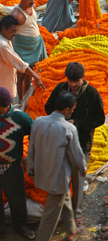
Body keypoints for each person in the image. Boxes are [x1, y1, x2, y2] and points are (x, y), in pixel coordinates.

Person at [27, 91, 87, 241]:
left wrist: (30, 167)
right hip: (58, 178)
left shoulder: (39, 121)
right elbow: (76, 155)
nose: (73, 112)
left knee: (63, 199)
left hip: (40, 173)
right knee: (51, 212)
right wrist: (82, 169)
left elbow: (32, 146)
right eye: (73, 109)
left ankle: (71, 231)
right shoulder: (69, 128)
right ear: (67, 110)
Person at [44, 62, 104, 227]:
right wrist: (60, 118)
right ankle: (63, 212)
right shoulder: (60, 89)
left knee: (78, 180)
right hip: (61, 142)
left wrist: (76, 122)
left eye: (75, 81)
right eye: (70, 80)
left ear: (83, 78)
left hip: (81, 144)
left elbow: (99, 118)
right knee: (61, 179)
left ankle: (76, 213)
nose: (72, 84)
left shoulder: (92, 94)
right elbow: (48, 107)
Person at [0, 86, 35, 241]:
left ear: (3, 105)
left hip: (11, 166)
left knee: (16, 198)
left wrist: (30, 156)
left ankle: (20, 226)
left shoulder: (21, 118)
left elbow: (35, 135)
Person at [0, 15, 45, 101]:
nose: (15, 34)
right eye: (13, 31)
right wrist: (36, 76)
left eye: (16, 31)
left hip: (0, 86)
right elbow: (20, 64)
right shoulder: (2, 46)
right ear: (4, 28)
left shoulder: (1, 38)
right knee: (4, 110)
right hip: (2, 89)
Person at [11, 0, 47, 98]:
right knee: (21, 74)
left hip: (35, 46)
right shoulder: (17, 14)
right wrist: (12, 52)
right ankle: (21, 99)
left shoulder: (34, 7)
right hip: (23, 47)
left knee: (29, 74)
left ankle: (27, 98)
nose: (32, 1)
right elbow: (11, 34)